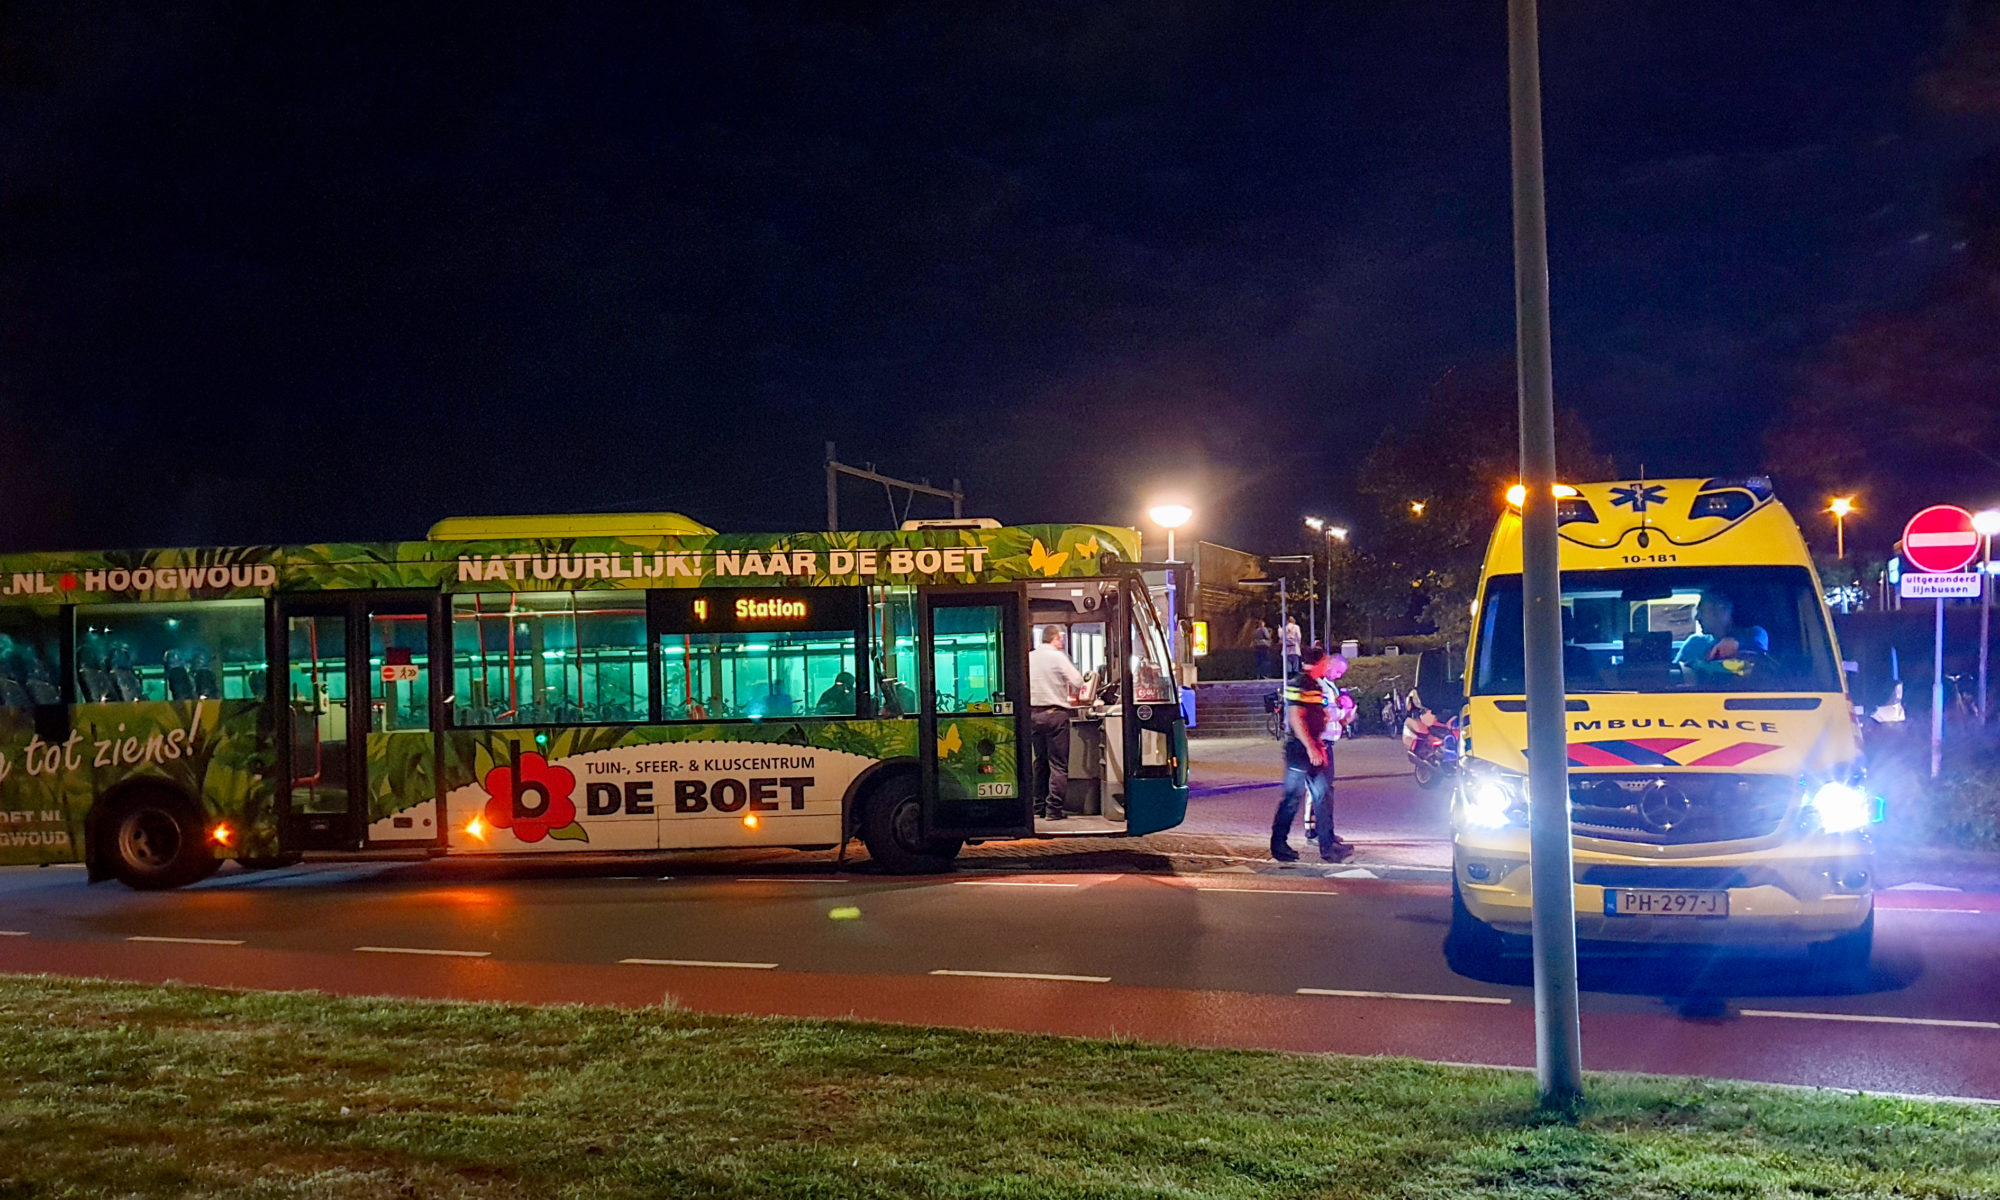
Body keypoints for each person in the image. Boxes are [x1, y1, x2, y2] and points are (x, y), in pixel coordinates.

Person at [1272, 645, 1336, 862]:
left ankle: (1328, 847)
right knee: (1292, 798)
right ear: (1317, 663)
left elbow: (1316, 716)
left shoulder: (1314, 685)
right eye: (1325, 662)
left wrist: (1319, 745)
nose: (1327, 666)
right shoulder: (1299, 683)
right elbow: (1295, 717)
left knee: (1322, 794)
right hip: (1299, 751)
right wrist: (1310, 747)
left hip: (1311, 748)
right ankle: (1279, 845)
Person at [1302, 650, 1356, 860]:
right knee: (1322, 796)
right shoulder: (1313, 685)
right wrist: (1345, 710)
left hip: (1323, 744)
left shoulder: (1322, 685)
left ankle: (1328, 839)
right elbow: (1322, 714)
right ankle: (1326, 846)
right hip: (1318, 745)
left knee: (1324, 795)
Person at [1029, 624, 1085, 820]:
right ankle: (1054, 809)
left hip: (1033, 715)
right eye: (1060, 638)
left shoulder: (1030, 657)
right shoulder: (1057, 656)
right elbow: (1078, 681)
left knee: (1040, 761)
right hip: (1055, 715)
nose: (1062, 641)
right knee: (1058, 764)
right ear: (1054, 639)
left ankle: (1037, 808)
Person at [1674, 590, 1769, 683]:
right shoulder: (1693, 643)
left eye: (1701, 611)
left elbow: (1760, 650)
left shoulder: (1754, 634)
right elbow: (1673, 673)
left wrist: (1737, 645)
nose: (1696, 617)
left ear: (1722, 611)